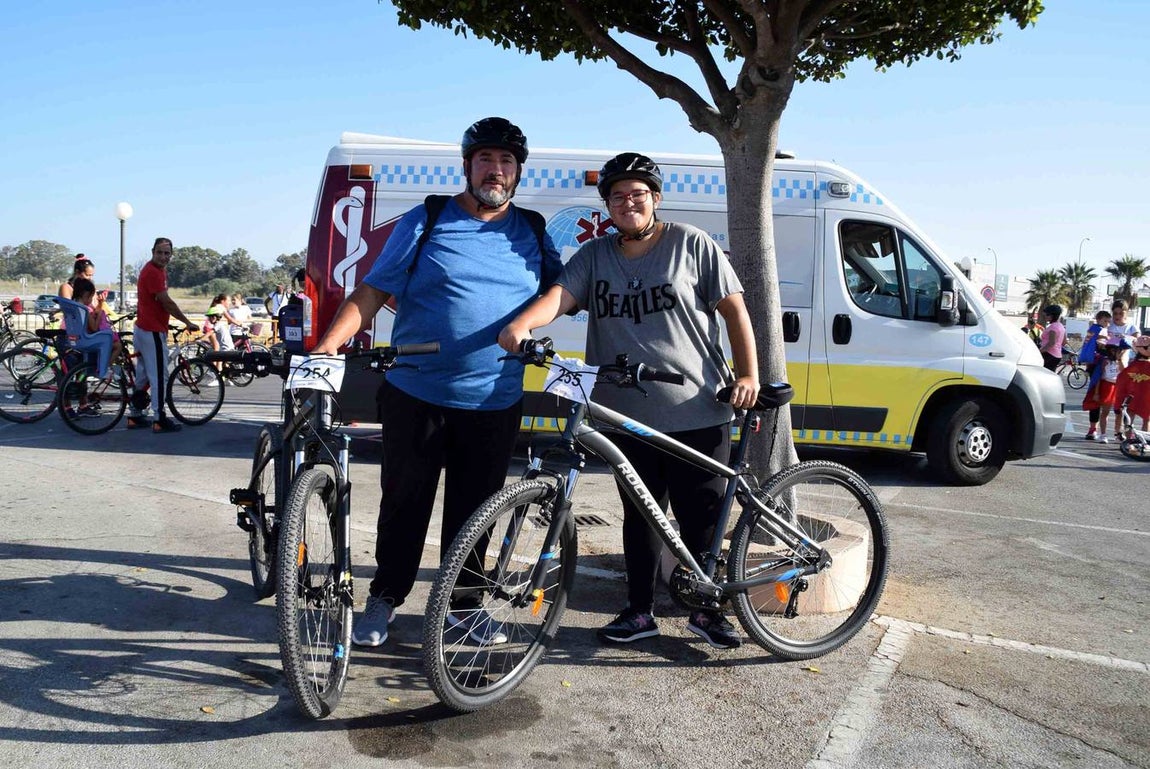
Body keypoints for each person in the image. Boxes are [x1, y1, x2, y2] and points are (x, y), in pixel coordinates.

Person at [310, 117, 562, 647]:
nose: (496, 170)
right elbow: (374, 290)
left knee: (477, 511)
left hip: (496, 398)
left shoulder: (533, 231)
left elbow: (564, 291)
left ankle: (463, 609)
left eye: (507, 162)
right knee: (405, 501)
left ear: (518, 172)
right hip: (417, 393)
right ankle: (385, 599)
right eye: (486, 160)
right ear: (467, 166)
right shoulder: (427, 219)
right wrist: (328, 348)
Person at [498, 152, 760, 650]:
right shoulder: (596, 256)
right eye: (618, 196)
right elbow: (560, 296)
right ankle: (639, 612)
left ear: (655, 199)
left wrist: (748, 374)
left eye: (638, 194)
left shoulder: (690, 244)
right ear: (608, 206)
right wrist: (521, 326)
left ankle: (708, 612)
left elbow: (735, 313)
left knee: (700, 516)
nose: (628, 203)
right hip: (625, 412)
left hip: (696, 410)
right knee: (639, 517)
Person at [129, 238, 199, 433]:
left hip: (144, 328)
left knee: (143, 375)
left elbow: (159, 303)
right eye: (160, 252)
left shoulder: (158, 271)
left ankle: (134, 414)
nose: (163, 257)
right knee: (159, 375)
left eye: (167, 253)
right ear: (153, 252)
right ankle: (159, 418)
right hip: (151, 330)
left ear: (171, 255)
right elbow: (166, 301)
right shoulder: (153, 272)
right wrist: (186, 322)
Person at [70, 278, 121, 378]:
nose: (91, 300)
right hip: (88, 340)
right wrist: (99, 315)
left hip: (76, 338)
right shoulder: (84, 309)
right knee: (118, 346)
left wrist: (100, 304)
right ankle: (105, 368)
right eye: (91, 297)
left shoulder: (75, 305)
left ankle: (101, 367)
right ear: (86, 294)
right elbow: (94, 327)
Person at [1081, 336, 1128, 444]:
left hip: (1118, 387)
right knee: (1105, 412)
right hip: (1106, 386)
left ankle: (1118, 433)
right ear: (1112, 350)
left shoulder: (1119, 361)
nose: (1120, 352)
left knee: (1119, 412)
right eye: (1118, 350)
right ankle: (1103, 434)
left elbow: (1123, 372)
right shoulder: (1104, 361)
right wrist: (1097, 392)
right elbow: (1098, 377)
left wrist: (1120, 359)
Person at [1079, 310, 1112, 440]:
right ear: (1098, 319)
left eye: (1108, 322)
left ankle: (1094, 429)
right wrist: (1107, 339)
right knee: (1096, 397)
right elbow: (1099, 342)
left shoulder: (1092, 329)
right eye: (1105, 321)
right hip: (1098, 365)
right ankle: (1095, 429)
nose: (1107, 324)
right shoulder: (1099, 329)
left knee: (1096, 396)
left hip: (1094, 364)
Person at [1114, 335, 1150, 433]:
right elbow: (1124, 376)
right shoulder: (1134, 365)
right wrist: (1120, 360)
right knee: (1143, 419)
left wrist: (1119, 360)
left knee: (1134, 418)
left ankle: (1132, 441)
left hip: (1137, 395)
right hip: (1138, 395)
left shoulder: (1134, 364)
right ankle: (1140, 442)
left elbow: (1123, 375)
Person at [1038, 304, 1066, 371]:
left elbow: (1051, 343)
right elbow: (1064, 342)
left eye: (1047, 315)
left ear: (1053, 315)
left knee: (1041, 375)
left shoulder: (1053, 327)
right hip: (1057, 355)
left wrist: (1039, 351)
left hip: (1049, 355)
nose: (1045, 317)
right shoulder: (1061, 326)